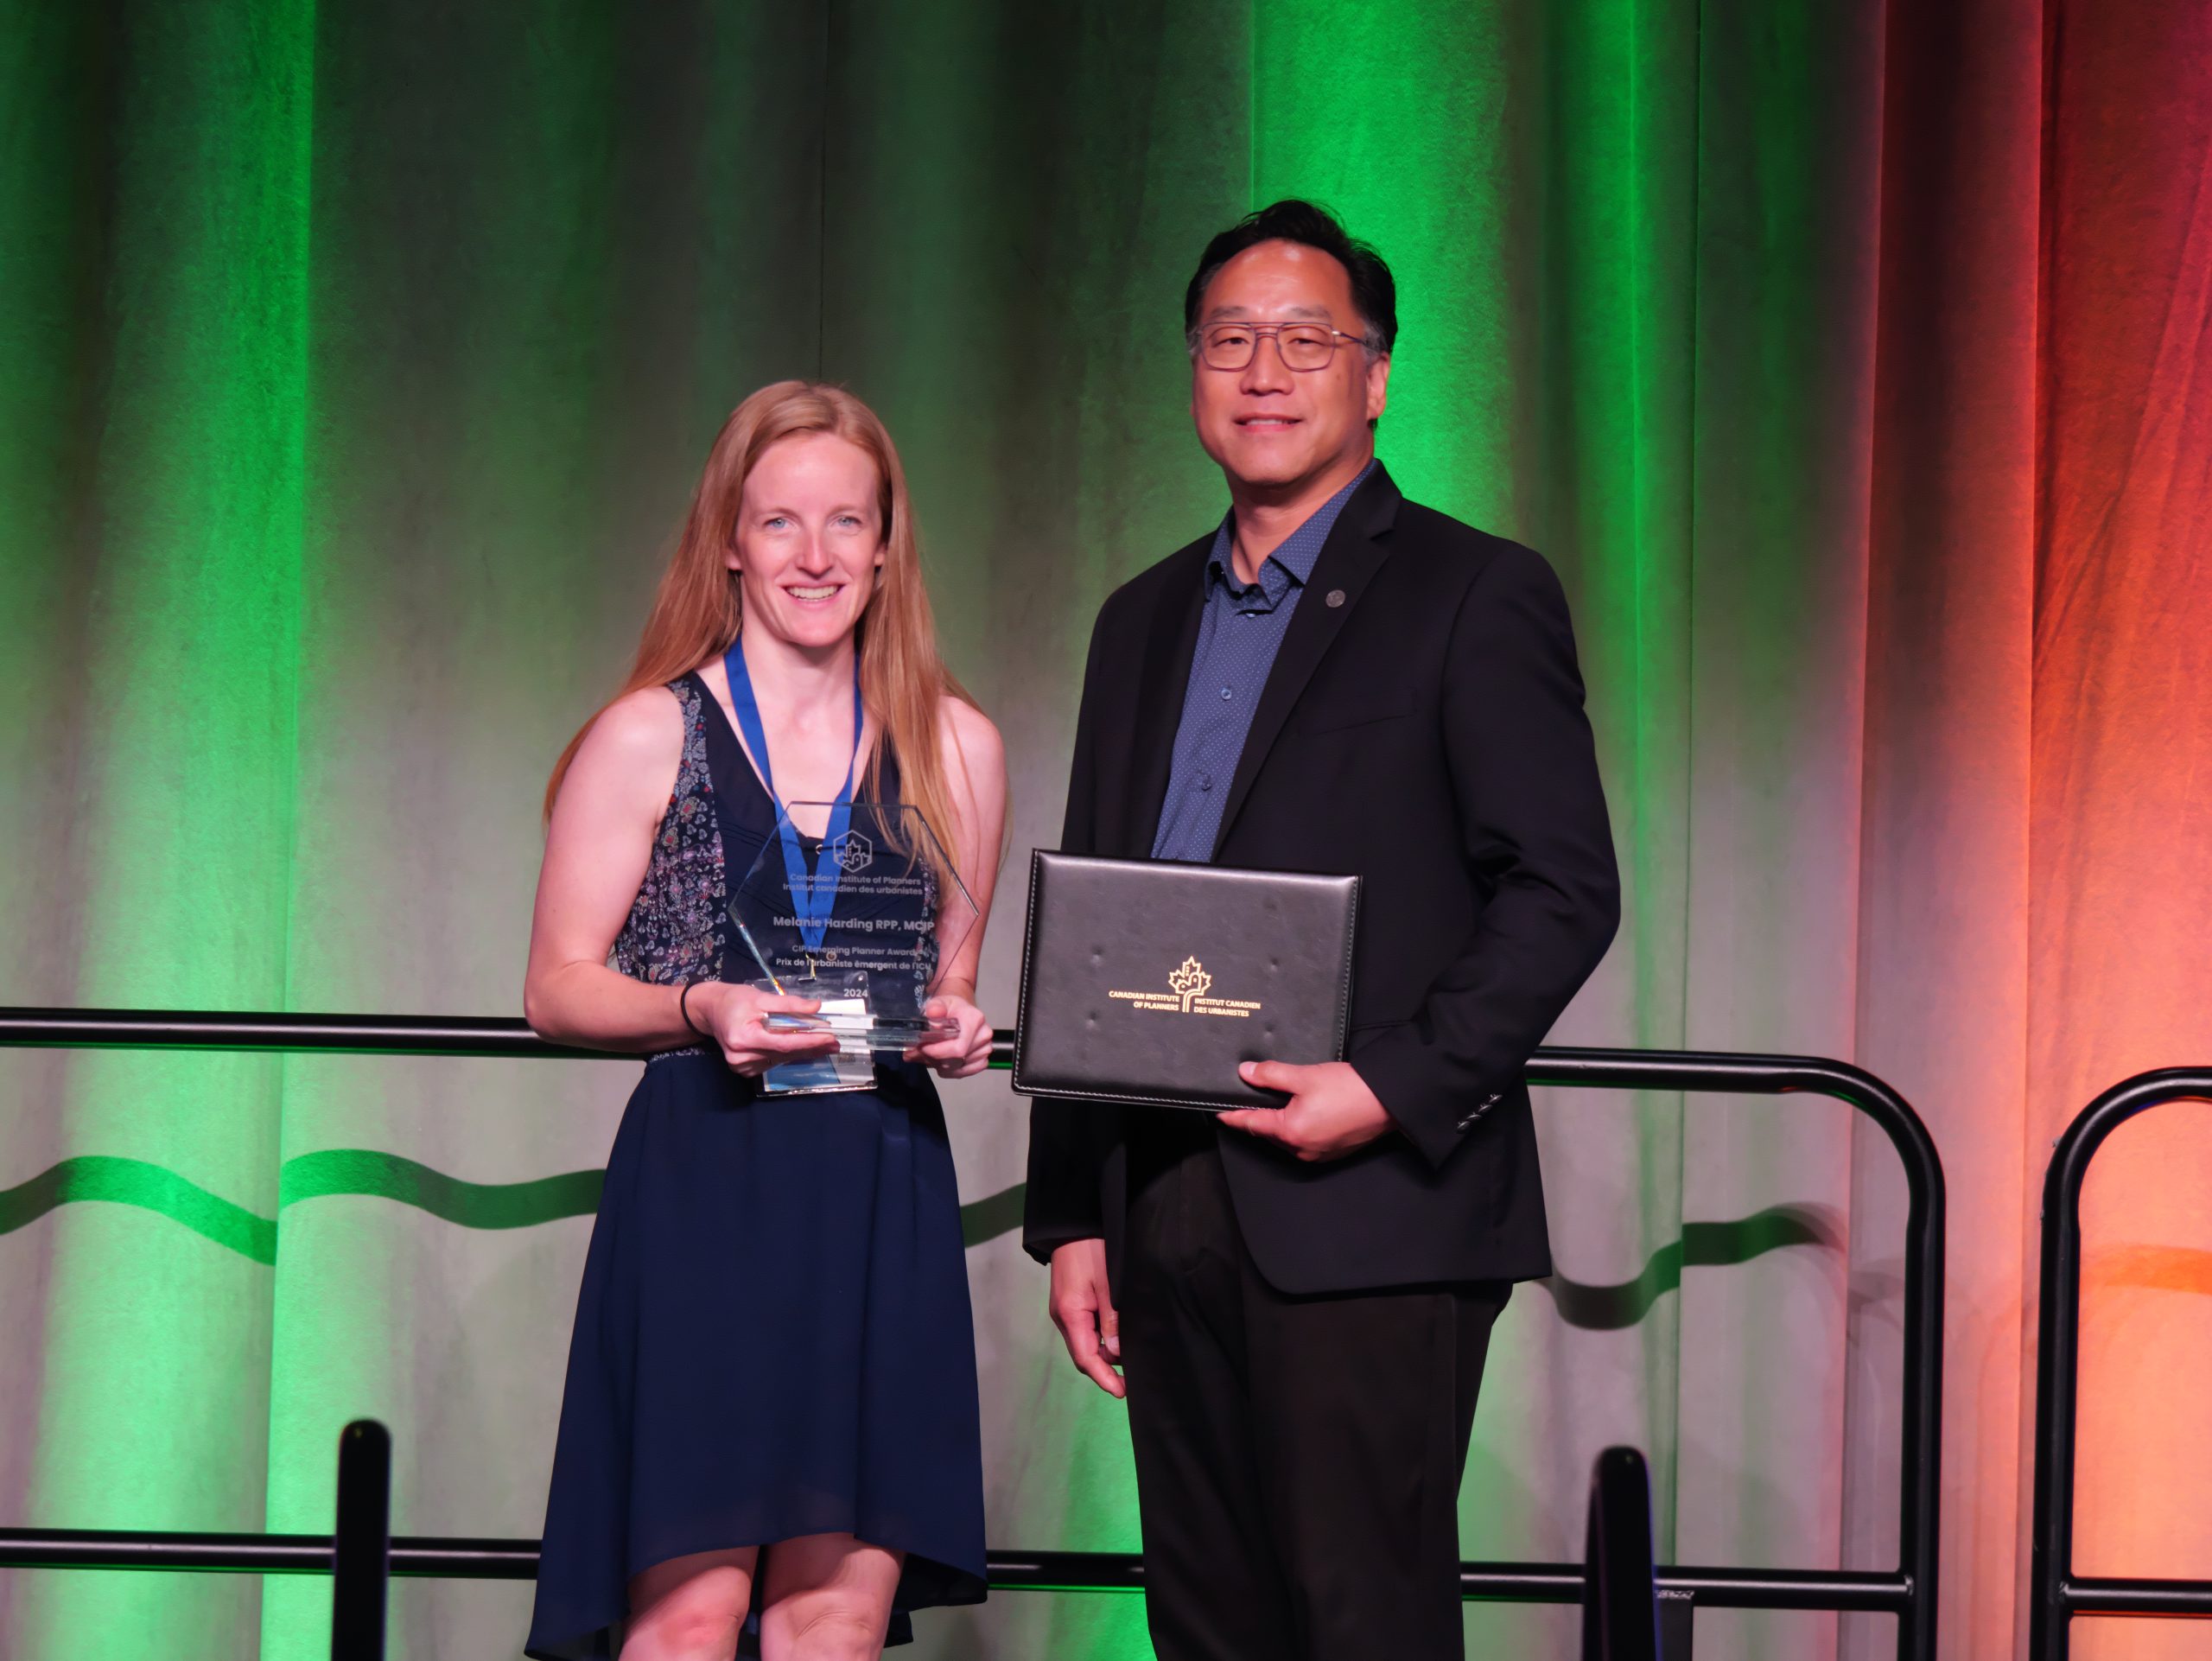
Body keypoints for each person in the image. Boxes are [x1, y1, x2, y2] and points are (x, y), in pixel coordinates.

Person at [1023, 200, 1620, 1660]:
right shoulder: (1138, 617)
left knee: (1363, 1624)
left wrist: (1395, 1084)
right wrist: (1074, 1211)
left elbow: (1564, 886)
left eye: (1307, 339)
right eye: (1232, 339)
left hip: (1373, 1209)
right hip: (1163, 1197)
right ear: (1192, 372)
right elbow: (1098, 921)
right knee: (1207, 1625)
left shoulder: (1476, 591)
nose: (1266, 370)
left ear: (1379, 374)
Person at [524, 381, 1006, 1661]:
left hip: (877, 1190)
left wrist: (957, 1026)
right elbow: (557, 986)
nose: (815, 555)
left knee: (835, 1623)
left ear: (887, 544)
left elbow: (945, 983)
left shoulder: (958, 747)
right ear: (729, 539)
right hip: (705, 1188)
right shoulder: (646, 735)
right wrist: (698, 1003)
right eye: (781, 522)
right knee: (688, 1621)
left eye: (846, 522)